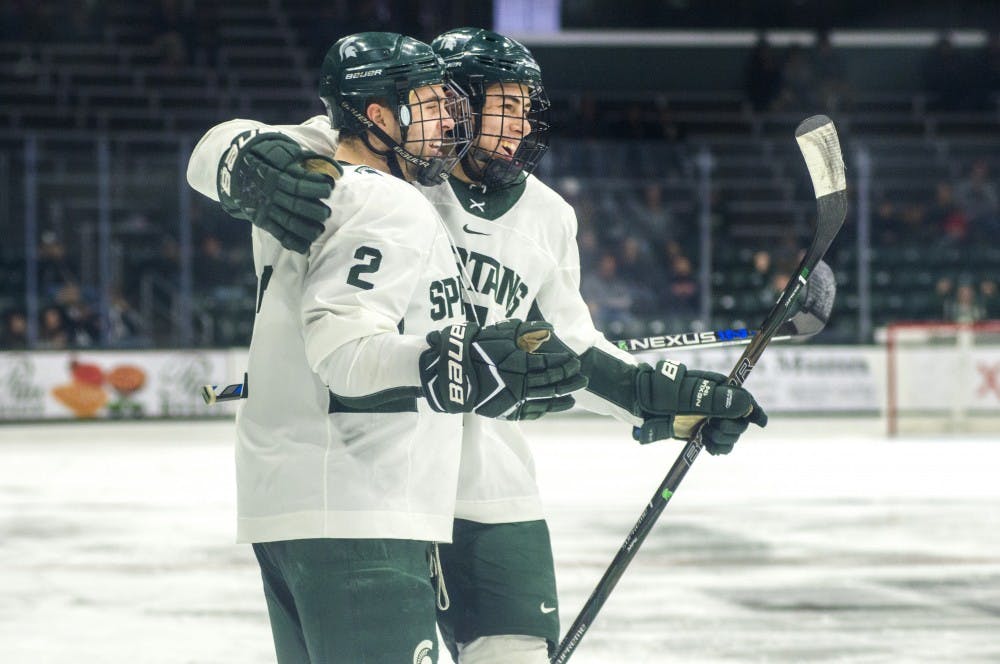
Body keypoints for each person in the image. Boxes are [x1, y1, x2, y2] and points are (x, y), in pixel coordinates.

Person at [190, 28, 768, 663]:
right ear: (452, 101)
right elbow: (234, 143)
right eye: (506, 107)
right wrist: (241, 161)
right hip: (376, 471)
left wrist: (662, 396)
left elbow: (567, 345)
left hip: (485, 478)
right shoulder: (375, 168)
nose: (520, 127)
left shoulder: (548, 217)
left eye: (527, 109)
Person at [186, 32, 586, 664]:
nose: (449, 122)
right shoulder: (385, 200)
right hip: (357, 508)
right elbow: (344, 350)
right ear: (379, 117)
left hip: (297, 502)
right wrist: (459, 362)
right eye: (430, 106)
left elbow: (241, 144)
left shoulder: (320, 184)